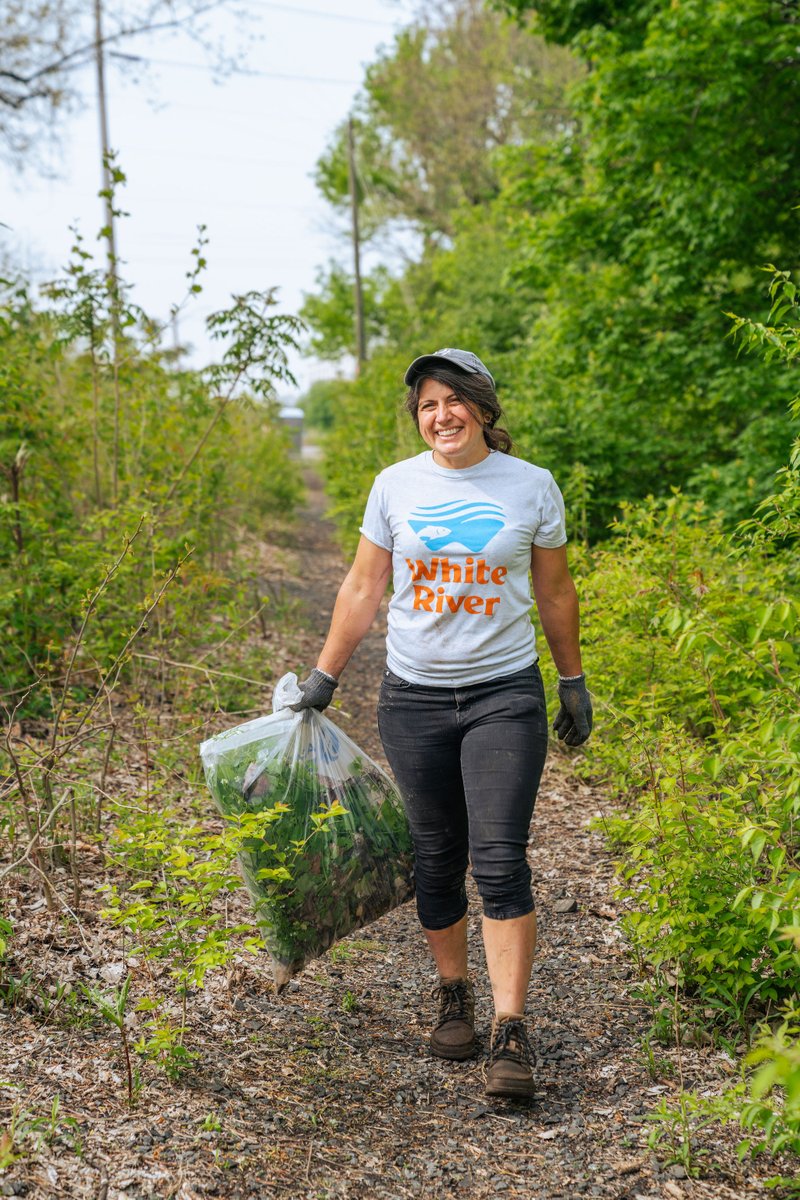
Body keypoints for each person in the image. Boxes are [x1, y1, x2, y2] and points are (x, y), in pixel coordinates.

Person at [292, 348, 592, 1099]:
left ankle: (511, 1029)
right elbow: (364, 586)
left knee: (499, 860)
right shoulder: (395, 485)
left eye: (454, 400)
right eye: (428, 404)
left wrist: (572, 680)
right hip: (414, 698)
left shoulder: (531, 486)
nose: (441, 415)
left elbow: (555, 592)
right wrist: (325, 675)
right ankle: (454, 992)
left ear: (483, 409)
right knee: (435, 856)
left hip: (503, 695)